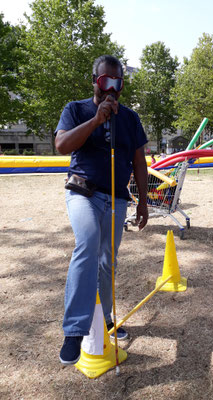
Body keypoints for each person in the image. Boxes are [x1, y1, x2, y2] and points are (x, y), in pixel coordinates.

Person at [55, 55, 149, 365]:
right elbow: (62, 145)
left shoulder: (131, 119)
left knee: (108, 261)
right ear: (95, 81)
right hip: (83, 191)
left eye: (118, 83)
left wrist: (144, 203)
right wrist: (96, 120)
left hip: (117, 199)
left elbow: (139, 162)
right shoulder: (75, 109)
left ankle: (106, 317)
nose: (112, 88)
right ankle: (74, 329)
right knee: (89, 241)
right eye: (105, 81)